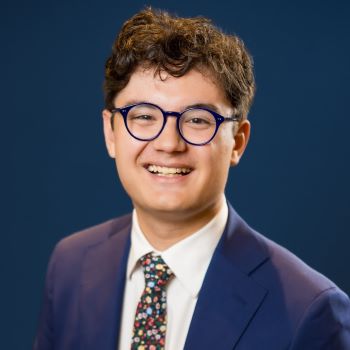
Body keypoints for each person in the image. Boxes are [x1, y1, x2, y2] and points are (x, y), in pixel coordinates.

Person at [33, 7, 350, 350]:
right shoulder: (70, 265)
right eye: (143, 116)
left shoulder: (310, 310)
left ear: (237, 142)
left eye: (197, 120)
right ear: (111, 133)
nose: (169, 144)